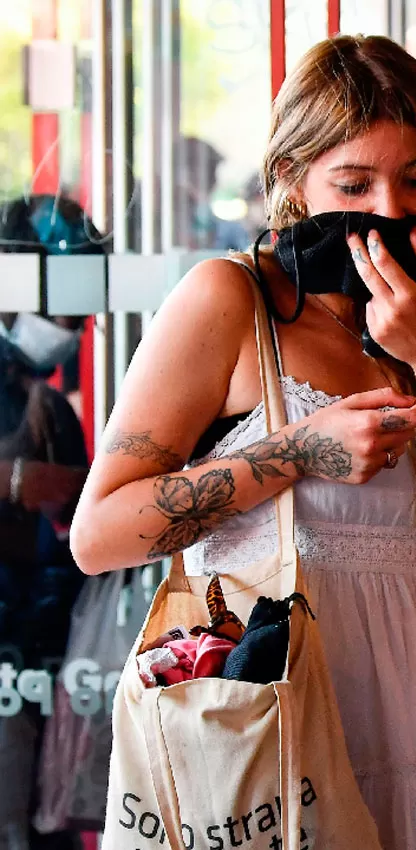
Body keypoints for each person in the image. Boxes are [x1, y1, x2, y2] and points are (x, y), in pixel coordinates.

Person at [69, 36, 416, 850]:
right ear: (292, 181)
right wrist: (296, 454)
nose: (390, 210)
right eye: (354, 184)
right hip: (267, 709)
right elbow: (98, 534)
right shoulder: (229, 300)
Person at [0, 194, 97, 850]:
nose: (76, 327)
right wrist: (14, 481)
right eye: (66, 309)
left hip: (41, 643)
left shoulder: (46, 400)